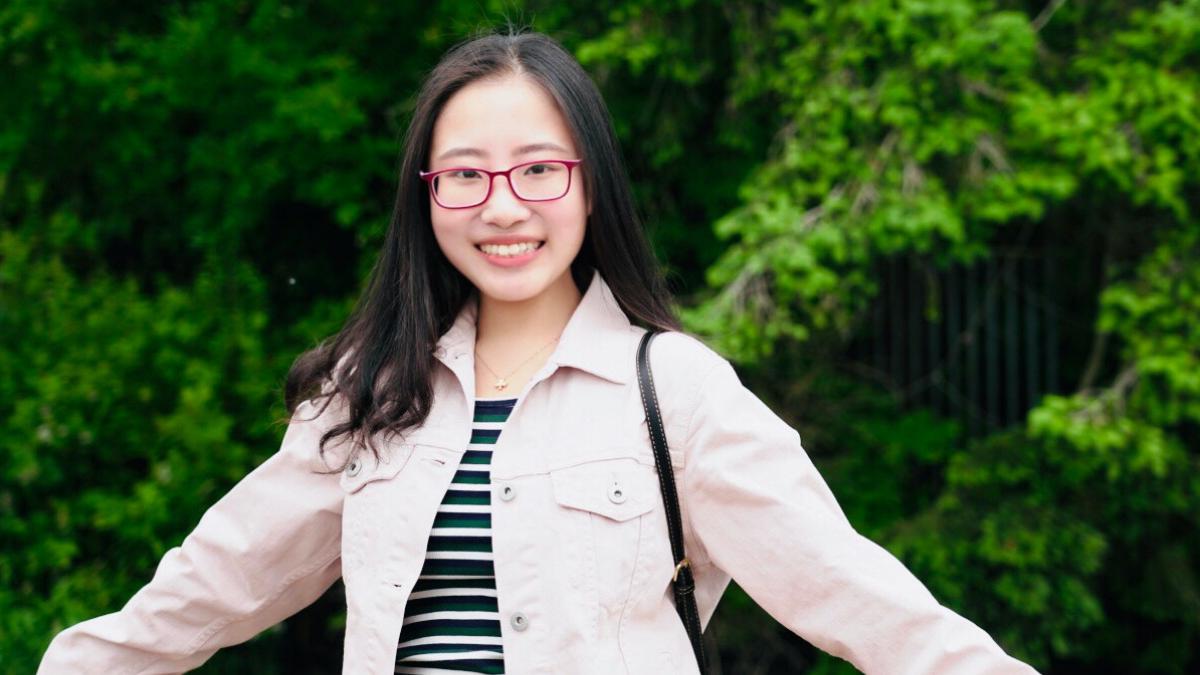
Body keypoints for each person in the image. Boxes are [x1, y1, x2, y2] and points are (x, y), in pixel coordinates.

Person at [39, 30, 1038, 675]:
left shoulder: (675, 392)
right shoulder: (371, 395)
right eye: (465, 176)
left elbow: (859, 598)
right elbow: (202, 592)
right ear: (426, 199)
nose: (503, 207)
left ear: (591, 184)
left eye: (538, 171)